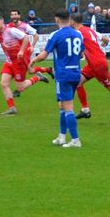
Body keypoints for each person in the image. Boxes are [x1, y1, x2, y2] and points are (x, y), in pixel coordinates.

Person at [30, 10, 84, 148]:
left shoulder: (56, 35)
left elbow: (44, 55)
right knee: (62, 105)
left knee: (68, 107)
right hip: (76, 73)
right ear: (69, 19)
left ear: (57, 20)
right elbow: (81, 54)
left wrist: (33, 61)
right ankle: (62, 136)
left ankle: (75, 140)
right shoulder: (78, 34)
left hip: (63, 74)